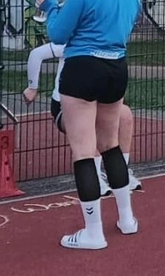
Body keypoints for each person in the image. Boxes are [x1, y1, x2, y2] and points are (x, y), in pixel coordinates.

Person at [37, 0, 142, 249]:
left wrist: (50, 7)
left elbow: (58, 34)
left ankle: (93, 233)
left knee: (84, 151)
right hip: (116, 67)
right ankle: (127, 219)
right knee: (110, 145)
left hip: (83, 68)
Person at [23, 40, 142, 193]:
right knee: (93, 122)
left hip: (96, 101)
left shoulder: (109, 44)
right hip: (66, 105)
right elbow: (36, 54)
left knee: (125, 115)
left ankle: (121, 172)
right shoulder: (72, 42)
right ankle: (95, 175)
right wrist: (32, 87)